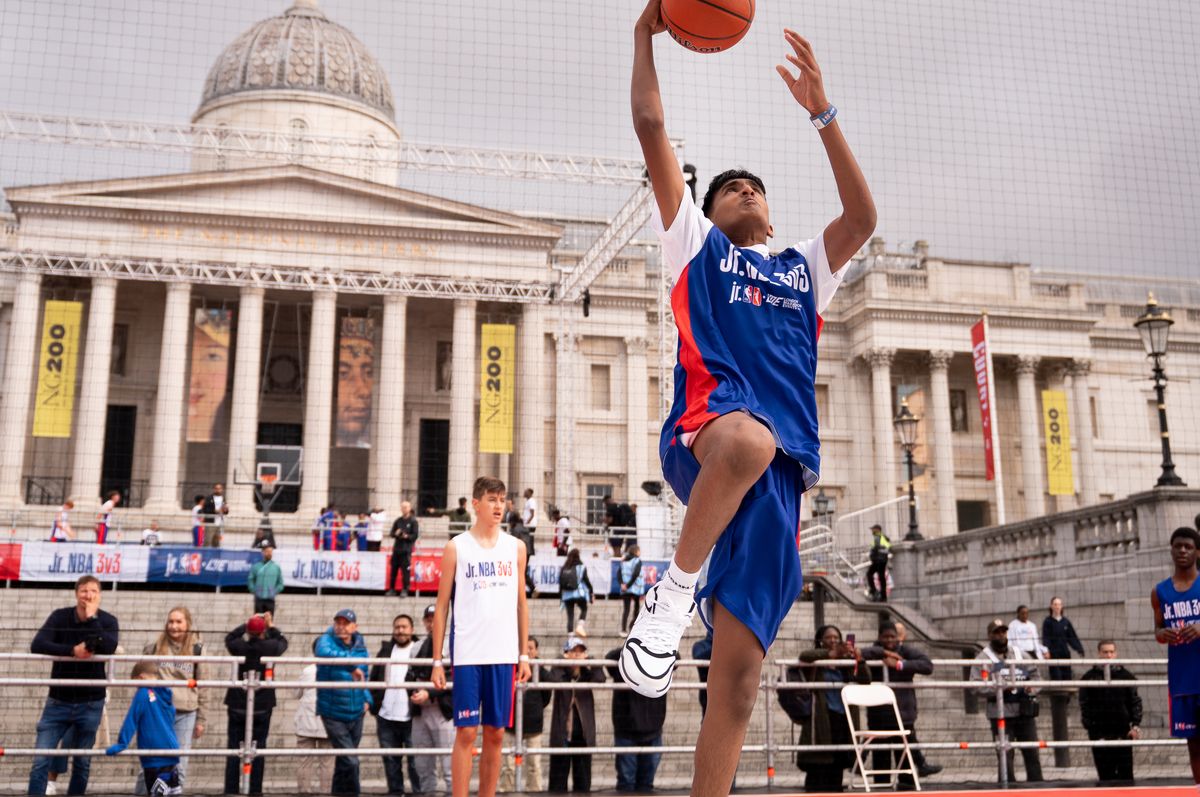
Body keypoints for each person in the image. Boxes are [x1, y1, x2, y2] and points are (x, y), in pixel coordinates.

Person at [620, 6, 876, 796]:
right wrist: (643, 35)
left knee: (733, 688)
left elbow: (863, 218)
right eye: (729, 186)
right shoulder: (692, 244)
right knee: (747, 440)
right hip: (707, 436)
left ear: (769, 212)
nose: (742, 191)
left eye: (754, 187)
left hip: (778, 487)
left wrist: (823, 114)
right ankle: (668, 598)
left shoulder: (804, 266)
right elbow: (651, 125)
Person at [430, 476, 531, 797]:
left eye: (502, 500)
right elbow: (442, 607)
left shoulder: (516, 547)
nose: (498, 505)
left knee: (497, 733)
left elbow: (521, 604)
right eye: (491, 499)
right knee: (466, 732)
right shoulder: (456, 547)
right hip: (469, 653)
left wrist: (524, 653)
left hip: (503, 654)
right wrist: (436, 660)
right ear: (476, 504)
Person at [28, 575, 121, 796]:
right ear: (76, 592)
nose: (88, 596)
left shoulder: (107, 621)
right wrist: (72, 651)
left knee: (82, 763)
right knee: (41, 760)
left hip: (91, 703)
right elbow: (37, 644)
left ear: (100, 595)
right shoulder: (60, 617)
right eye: (84, 591)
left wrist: (92, 618)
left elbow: (109, 647)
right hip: (58, 701)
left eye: (93, 592)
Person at [780, 625, 870, 793]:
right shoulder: (817, 658)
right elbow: (804, 656)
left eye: (836, 637)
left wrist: (859, 659)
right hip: (821, 714)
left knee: (837, 762)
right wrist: (831, 655)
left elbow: (866, 680)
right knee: (818, 763)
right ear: (820, 641)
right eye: (829, 637)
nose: (833, 640)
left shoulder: (846, 661)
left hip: (843, 716)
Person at [860, 621, 941, 783]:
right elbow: (860, 653)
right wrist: (883, 653)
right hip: (879, 714)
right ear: (879, 637)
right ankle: (881, 787)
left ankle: (913, 776)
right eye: (885, 637)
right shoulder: (874, 650)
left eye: (892, 636)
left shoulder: (905, 651)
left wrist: (899, 664)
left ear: (898, 638)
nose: (889, 640)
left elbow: (927, 665)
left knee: (906, 764)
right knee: (881, 763)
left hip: (903, 712)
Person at [139, 607, 209, 790]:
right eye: (171, 621)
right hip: (158, 713)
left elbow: (204, 685)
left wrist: (201, 719)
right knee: (151, 762)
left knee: (179, 764)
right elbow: (141, 675)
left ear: (188, 624)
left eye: (179, 622)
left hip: (186, 713)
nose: (174, 626)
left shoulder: (197, 649)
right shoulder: (155, 647)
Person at [1151, 526, 1200, 787]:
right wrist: (1163, 634)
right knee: (1194, 745)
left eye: (1188, 546)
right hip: (1182, 679)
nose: (1182, 550)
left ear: (1197, 552)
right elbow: (1157, 630)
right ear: (1171, 550)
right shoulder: (1160, 592)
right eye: (1178, 546)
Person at [971, 618, 1044, 784]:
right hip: (1000, 715)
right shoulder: (983, 658)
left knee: (1032, 753)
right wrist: (998, 688)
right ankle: (1007, 788)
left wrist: (1031, 687)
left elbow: (1037, 677)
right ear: (990, 635)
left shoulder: (1019, 654)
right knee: (1005, 756)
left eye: (1003, 632)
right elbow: (975, 687)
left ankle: (1037, 787)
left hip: (1024, 712)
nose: (1001, 635)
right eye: (996, 633)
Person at [224, 612, 288, 795]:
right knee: (259, 749)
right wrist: (271, 625)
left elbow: (230, 638)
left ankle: (231, 789)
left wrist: (246, 624)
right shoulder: (271, 646)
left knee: (233, 748)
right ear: (263, 632)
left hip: (237, 704)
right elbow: (283, 641)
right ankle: (255, 790)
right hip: (262, 706)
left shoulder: (238, 646)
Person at [315, 608, 373, 796]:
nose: (340, 627)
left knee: (344, 761)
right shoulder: (326, 639)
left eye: (345, 623)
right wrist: (351, 665)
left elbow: (366, 674)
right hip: (333, 712)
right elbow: (323, 653)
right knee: (351, 760)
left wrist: (367, 699)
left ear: (354, 626)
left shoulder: (360, 645)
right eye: (338, 622)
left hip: (357, 712)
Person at [105, 661, 181, 796]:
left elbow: (131, 720)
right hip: (171, 751)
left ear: (140, 677)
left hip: (154, 755)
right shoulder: (164, 695)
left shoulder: (143, 693)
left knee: (157, 793)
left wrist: (122, 744)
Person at [546, 636, 605, 792]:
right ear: (566, 653)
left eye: (581, 651)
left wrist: (590, 660)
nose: (577, 655)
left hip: (583, 737)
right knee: (557, 785)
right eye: (573, 651)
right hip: (562, 736)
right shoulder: (561, 673)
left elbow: (601, 678)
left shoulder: (587, 674)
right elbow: (553, 679)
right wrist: (561, 660)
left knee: (583, 785)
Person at [1079, 639, 1142, 783]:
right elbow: (1084, 705)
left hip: (1122, 731)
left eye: (1111, 652)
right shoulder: (1089, 677)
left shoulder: (1126, 676)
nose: (1108, 655)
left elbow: (1135, 702)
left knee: (1126, 777)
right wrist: (1091, 728)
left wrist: (1136, 726)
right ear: (1098, 654)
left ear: (1116, 653)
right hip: (1099, 732)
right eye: (1105, 652)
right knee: (1105, 776)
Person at [407, 604, 455, 794]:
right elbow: (408, 675)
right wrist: (414, 692)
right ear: (424, 622)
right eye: (428, 619)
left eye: (435, 617)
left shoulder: (452, 644)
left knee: (450, 764)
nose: (432, 622)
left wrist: (429, 692)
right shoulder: (416, 646)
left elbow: (453, 677)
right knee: (423, 765)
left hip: (443, 710)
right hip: (421, 710)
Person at [606, 646, 667, 792]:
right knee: (626, 783)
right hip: (626, 729)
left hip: (653, 728)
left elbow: (676, 658)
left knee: (647, 784)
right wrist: (635, 644)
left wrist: (652, 647)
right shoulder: (623, 656)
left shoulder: (660, 658)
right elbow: (609, 657)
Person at [370, 614, 419, 796]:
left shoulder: (419, 649)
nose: (400, 630)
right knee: (390, 760)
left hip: (412, 716)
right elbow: (374, 676)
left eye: (404, 627)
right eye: (397, 627)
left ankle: (418, 792)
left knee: (416, 762)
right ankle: (395, 792)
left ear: (412, 630)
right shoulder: (385, 651)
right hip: (386, 716)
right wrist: (375, 703)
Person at [499, 637, 551, 792]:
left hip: (533, 725)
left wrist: (535, 709)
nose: (528, 651)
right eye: (525, 647)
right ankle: (506, 791)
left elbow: (546, 696)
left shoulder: (541, 671)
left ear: (536, 651)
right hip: (510, 724)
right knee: (508, 765)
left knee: (534, 765)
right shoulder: (510, 668)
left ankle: (534, 791)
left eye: (531, 648)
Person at [294, 651, 334, 795]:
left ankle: (304, 792)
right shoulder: (336, 671)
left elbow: (296, 694)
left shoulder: (307, 670)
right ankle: (325, 792)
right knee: (327, 762)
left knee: (304, 761)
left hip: (306, 722)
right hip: (328, 722)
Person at [1042, 596, 1084, 681]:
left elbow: (1072, 637)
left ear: (1062, 606)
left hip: (1064, 652)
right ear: (1051, 606)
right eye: (1055, 604)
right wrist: (1046, 651)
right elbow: (1045, 638)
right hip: (1053, 653)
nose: (1057, 606)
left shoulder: (1065, 622)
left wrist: (1079, 648)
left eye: (1059, 604)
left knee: (1067, 675)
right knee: (1056, 676)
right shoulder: (1048, 621)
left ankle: (1067, 694)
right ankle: (1057, 694)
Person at [559, 548, 594, 635]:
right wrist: (591, 592)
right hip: (578, 594)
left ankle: (570, 638)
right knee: (584, 608)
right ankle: (580, 626)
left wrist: (561, 597)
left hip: (567, 595)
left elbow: (560, 584)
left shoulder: (564, 568)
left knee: (570, 616)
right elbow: (587, 581)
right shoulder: (581, 567)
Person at [388, 501, 419, 596]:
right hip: (397, 549)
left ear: (409, 508)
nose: (404, 509)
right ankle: (392, 589)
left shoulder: (413, 521)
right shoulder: (398, 521)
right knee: (393, 570)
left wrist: (406, 536)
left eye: (406, 507)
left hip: (406, 550)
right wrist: (396, 534)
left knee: (405, 571)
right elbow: (391, 534)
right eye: (403, 507)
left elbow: (415, 535)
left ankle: (405, 589)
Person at [248, 545, 284, 616]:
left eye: (271, 551)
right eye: (267, 551)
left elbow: (280, 583)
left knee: (269, 622)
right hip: (259, 599)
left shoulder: (276, 567)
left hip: (270, 599)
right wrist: (254, 590)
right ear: (263, 553)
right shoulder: (256, 567)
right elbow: (250, 580)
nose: (269, 553)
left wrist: (274, 591)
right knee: (258, 622)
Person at [619, 545, 646, 635]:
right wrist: (628, 585)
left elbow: (619, 573)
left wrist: (622, 584)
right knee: (636, 608)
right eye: (639, 550)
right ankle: (632, 626)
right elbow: (636, 574)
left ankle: (623, 630)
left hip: (625, 589)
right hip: (636, 589)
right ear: (636, 551)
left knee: (626, 609)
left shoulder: (623, 561)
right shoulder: (637, 561)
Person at [866, 524, 891, 601]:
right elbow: (887, 548)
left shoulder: (878, 537)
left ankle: (874, 591)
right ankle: (883, 596)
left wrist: (872, 555)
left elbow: (876, 548)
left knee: (869, 574)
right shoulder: (885, 537)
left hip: (878, 560)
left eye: (873, 529)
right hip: (883, 560)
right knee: (881, 577)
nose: (872, 531)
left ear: (877, 530)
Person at [202, 483, 228, 548]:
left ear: (222, 490)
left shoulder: (223, 498)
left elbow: (225, 511)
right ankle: (206, 557)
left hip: (219, 523)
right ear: (214, 489)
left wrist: (226, 510)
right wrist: (215, 511)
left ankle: (215, 557)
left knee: (216, 542)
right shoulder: (209, 498)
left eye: (219, 488)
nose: (218, 490)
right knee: (208, 541)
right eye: (216, 488)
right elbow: (205, 509)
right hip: (211, 522)